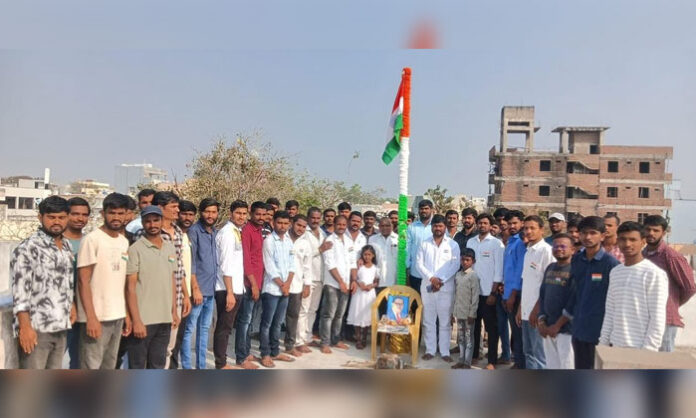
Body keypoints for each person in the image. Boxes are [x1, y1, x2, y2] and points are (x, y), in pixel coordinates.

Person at [11, 196, 76, 369]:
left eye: (61, 217)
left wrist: (72, 306)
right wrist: (25, 328)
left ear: (67, 218)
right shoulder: (28, 248)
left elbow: (66, 282)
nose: (56, 222)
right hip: (36, 329)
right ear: (41, 218)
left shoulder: (67, 245)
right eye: (51, 217)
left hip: (60, 325)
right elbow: (20, 291)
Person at [76, 193, 130, 369]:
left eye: (120, 213)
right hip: (97, 316)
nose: (116, 217)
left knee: (110, 364)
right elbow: (83, 281)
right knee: (91, 365)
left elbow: (122, 280)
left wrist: (127, 315)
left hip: (117, 315)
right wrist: (91, 317)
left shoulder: (123, 242)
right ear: (103, 213)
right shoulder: (92, 240)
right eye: (112, 213)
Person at [140, 191, 191, 367]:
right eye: (174, 207)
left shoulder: (178, 232)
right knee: (147, 350)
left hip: (174, 299)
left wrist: (185, 295)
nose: (178, 210)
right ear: (160, 208)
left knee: (168, 348)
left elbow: (178, 268)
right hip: (152, 300)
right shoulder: (146, 234)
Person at [125, 206, 180, 369]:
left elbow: (171, 279)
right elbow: (130, 287)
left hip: (164, 319)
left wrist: (174, 311)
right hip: (143, 319)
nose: (152, 224)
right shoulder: (135, 249)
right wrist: (136, 320)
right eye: (147, 221)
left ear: (162, 221)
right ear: (142, 223)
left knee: (158, 364)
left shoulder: (170, 247)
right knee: (138, 365)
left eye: (156, 220)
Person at [599, 222, 668, 351]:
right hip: (615, 346)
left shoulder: (654, 274)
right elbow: (610, 311)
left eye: (633, 240)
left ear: (643, 242)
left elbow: (657, 317)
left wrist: (648, 351)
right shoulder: (615, 272)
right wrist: (603, 344)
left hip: (640, 348)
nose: (627, 244)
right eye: (623, 239)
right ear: (618, 241)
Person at [565, 216, 619, 369]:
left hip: (600, 331)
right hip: (578, 328)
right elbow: (573, 291)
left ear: (603, 235)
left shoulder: (611, 264)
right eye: (584, 233)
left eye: (593, 233)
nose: (588, 237)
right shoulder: (575, 260)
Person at [643, 215, 696, 352]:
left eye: (655, 230)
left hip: (665, 319)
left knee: (663, 362)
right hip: (644, 318)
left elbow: (689, 287)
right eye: (648, 229)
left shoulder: (670, 256)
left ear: (664, 233)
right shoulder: (643, 254)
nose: (651, 233)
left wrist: (672, 304)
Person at [181, 198, 220, 369]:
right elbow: (191, 263)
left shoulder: (214, 233)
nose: (210, 215)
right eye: (207, 211)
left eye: (213, 212)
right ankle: (187, 367)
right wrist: (195, 288)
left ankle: (201, 366)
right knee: (189, 330)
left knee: (204, 330)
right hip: (197, 290)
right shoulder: (194, 232)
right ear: (201, 213)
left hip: (211, 290)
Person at [416, 214, 461, 362]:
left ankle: (444, 351)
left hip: (445, 288)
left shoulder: (453, 245)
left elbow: (454, 266)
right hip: (428, 286)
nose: (438, 228)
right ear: (432, 227)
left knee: (445, 321)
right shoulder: (424, 244)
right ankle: (430, 349)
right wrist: (432, 278)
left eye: (440, 226)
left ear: (445, 227)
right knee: (428, 320)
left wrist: (440, 280)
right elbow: (419, 264)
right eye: (435, 226)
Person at [467, 213, 505, 369]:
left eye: (485, 223)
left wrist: (493, 293)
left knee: (491, 328)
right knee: (474, 326)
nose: (482, 225)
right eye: (480, 223)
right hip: (473, 292)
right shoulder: (471, 242)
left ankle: (491, 361)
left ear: (490, 226)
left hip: (488, 293)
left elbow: (499, 270)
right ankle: (475, 355)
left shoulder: (497, 244)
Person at [259, 211, 296, 368]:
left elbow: (292, 264)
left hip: (285, 289)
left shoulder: (288, 240)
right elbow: (269, 267)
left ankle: (275, 351)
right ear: (273, 223)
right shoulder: (269, 241)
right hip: (272, 289)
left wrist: (287, 284)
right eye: (279, 223)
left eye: (285, 223)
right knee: (267, 323)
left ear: (289, 224)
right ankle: (265, 353)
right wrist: (282, 285)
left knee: (277, 323)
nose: (282, 226)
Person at [517, 215, 554, 369]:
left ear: (542, 230)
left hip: (538, 313)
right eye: (526, 228)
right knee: (528, 352)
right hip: (526, 311)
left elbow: (549, 285)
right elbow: (526, 283)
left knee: (540, 356)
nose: (528, 231)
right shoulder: (528, 252)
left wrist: (537, 311)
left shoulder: (546, 251)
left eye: (532, 228)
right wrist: (520, 309)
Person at [214, 200, 247, 369]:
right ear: (231, 213)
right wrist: (230, 292)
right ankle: (221, 363)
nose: (241, 216)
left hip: (236, 287)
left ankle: (222, 360)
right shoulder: (227, 233)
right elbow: (225, 264)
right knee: (224, 328)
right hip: (227, 288)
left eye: (244, 213)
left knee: (227, 327)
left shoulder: (237, 232)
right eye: (238, 213)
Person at [536, 233, 576, 369]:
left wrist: (557, 326)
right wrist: (541, 321)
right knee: (552, 366)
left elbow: (573, 301)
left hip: (566, 331)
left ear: (573, 249)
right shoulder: (550, 268)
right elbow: (542, 295)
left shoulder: (576, 270)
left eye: (563, 246)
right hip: (547, 328)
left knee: (567, 366)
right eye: (556, 246)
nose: (559, 249)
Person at [319, 215, 357, 353]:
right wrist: (340, 282)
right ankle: (325, 342)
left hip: (346, 284)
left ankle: (336, 340)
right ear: (334, 225)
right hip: (332, 284)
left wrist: (353, 281)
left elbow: (353, 262)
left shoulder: (349, 241)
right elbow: (330, 264)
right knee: (328, 314)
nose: (341, 227)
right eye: (339, 224)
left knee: (340, 315)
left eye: (343, 225)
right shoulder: (329, 240)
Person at [235, 201, 266, 368]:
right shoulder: (247, 231)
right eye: (257, 214)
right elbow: (246, 260)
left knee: (250, 319)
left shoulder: (259, 231)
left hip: (259, 282)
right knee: (245, 320)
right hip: (249, 284)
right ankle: (241, 357)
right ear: (251, 214)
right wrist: (253, 285)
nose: (261, 218)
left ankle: (246, 351)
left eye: (263, 214)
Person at [298, 207, 330, 352]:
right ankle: (299, 341)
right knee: (303, 310)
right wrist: (320, 250)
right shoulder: (304, 233)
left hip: (320, 277)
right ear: (308, 217)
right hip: (307, 277)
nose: (315, 221)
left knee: (313, 310)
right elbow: (303, 254)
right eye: (313, 218)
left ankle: (308, 337)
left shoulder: (322, 233)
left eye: (318, 218)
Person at [168, 199, 196, 369]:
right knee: (167, 344)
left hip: (184, 294)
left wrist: (188, 294)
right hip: (171, 295)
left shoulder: (185, 235)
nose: (187, 217)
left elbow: (184, 269)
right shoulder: (171, 235)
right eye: (183, 214)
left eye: (190, 215)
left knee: (177, 339)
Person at [64, 197, 90, 369]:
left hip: (85, 308)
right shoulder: (55, 242)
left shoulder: (90, 242)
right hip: (59, 308)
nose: (80, 218)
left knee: (80, 359)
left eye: (84, 215)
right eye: (75, 214)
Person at [285, 214, 313, 357]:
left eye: (303, 227)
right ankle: (270, 347)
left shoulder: (305, 243)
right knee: (275, 318)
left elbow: (307, 266)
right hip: (279, 285)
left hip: (296, 285)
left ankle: (290, 345)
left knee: (293, 316)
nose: (300, 229)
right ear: (292, 223)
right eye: (298, 225)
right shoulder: (283, 238)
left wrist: (307, 285)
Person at [502, 209, 526, 368]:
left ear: (522, 223)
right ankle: (517, 361)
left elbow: (520, 271)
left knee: (519, 333)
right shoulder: (511, 241)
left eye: (515, 223)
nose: (512, 226)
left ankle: (521, 364)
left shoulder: (521, 242)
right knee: (515, 332)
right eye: (509, 223)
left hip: (516, 295)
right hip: (508, 292)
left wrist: (512, 295)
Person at [451, 248, 480, 369]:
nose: (465, 262)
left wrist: (472, 313)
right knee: (461, 338)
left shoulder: (473, 276)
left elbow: (475, 296)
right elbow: (455, 294)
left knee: (469, 339)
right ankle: (461, 360)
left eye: (467, 260)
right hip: (459, 312)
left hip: (468, 314)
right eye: (463, 259)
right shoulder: (458, 275)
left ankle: (467, 362)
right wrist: (453, 312)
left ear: (473, 261)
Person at [347, 245, 379, 349]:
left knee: (367, 316)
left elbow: (377, 281)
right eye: (365, 254)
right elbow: (355, 277)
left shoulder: (375, 268)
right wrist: (360, 283)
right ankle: (358, 339)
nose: (367, 257)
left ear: (373, 255)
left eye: (369, 254)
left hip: (369, 295)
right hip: (359, 294)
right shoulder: (359, 266)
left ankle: (365, 338)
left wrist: (371, 286)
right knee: (358, 314)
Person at [406, 199, 434, 294]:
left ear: (431, 210)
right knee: (415, 302)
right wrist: (407, 266)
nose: (424, 211)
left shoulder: (438, 227)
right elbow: (407, 247)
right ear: (418, 210)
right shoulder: (412, 227)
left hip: (432, 273)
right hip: (415, 272)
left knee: (430, 303)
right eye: (422, 209)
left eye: (426, 208)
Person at [368, 217, 399, 293]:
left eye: (387, 225)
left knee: (393, 304)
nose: (385, 228)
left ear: (392, 226)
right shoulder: (372, 239)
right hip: (377, 279)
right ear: (379, 227)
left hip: (394, 279)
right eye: (382, 226)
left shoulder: (399, 239)